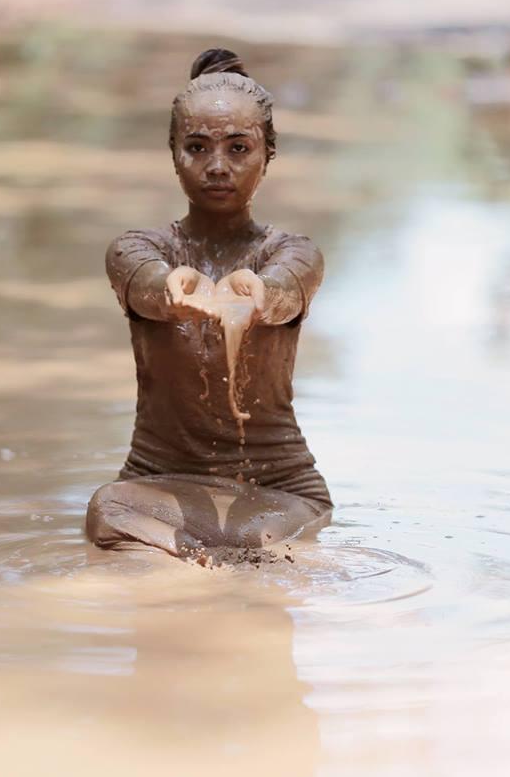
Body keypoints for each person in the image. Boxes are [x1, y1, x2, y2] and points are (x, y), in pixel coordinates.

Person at [86, 48, 332, 561]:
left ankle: (193, 568)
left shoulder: (292, 254)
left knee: (251, 543)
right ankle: (202, 575)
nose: (218, 167)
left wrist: (259, 296)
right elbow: (148, 288)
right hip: (159, 485)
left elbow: (286, 292)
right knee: (108, 509)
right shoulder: (138, 250)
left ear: (268, 154)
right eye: (197, 147)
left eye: (239, 148)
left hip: (278, 490)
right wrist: (174, 292)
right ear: (173, 151)